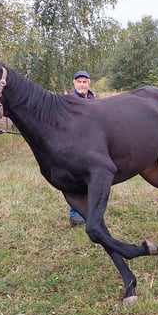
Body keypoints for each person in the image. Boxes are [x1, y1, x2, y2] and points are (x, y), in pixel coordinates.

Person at [68, 70, 95, 225]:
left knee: (91, 178)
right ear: (74, 83)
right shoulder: (70, 101)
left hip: (92, 146)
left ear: (89, 83)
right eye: (79, 82)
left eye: (85, 82)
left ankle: (89, 211)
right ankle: (75, 213)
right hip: (75, 146)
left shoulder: (94, 100)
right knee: (75, 179)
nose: (82, 84)